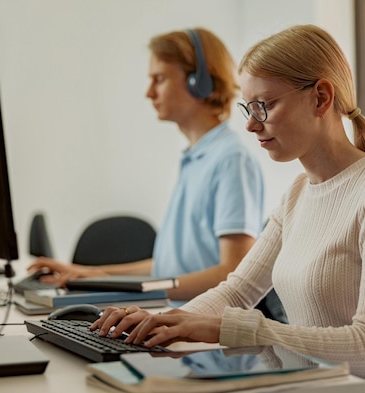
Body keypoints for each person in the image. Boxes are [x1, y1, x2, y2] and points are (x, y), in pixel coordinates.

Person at [91, 25, 365, 392]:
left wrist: (230, 328)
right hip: (314, 384)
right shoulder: (298, 193)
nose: (250, 124)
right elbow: (237, 290)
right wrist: (167, 321)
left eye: (265, 105)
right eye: (249, 107)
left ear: (321, 98)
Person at [28, 28, 265, 307]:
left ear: (198, 83)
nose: (149, 92)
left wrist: (144, 289)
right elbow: (170, 268)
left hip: (210, 344)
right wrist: (96, 274)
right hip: (179, 326)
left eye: (159, 79)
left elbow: (232, 272)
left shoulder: (230, 159)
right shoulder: (195, 159)